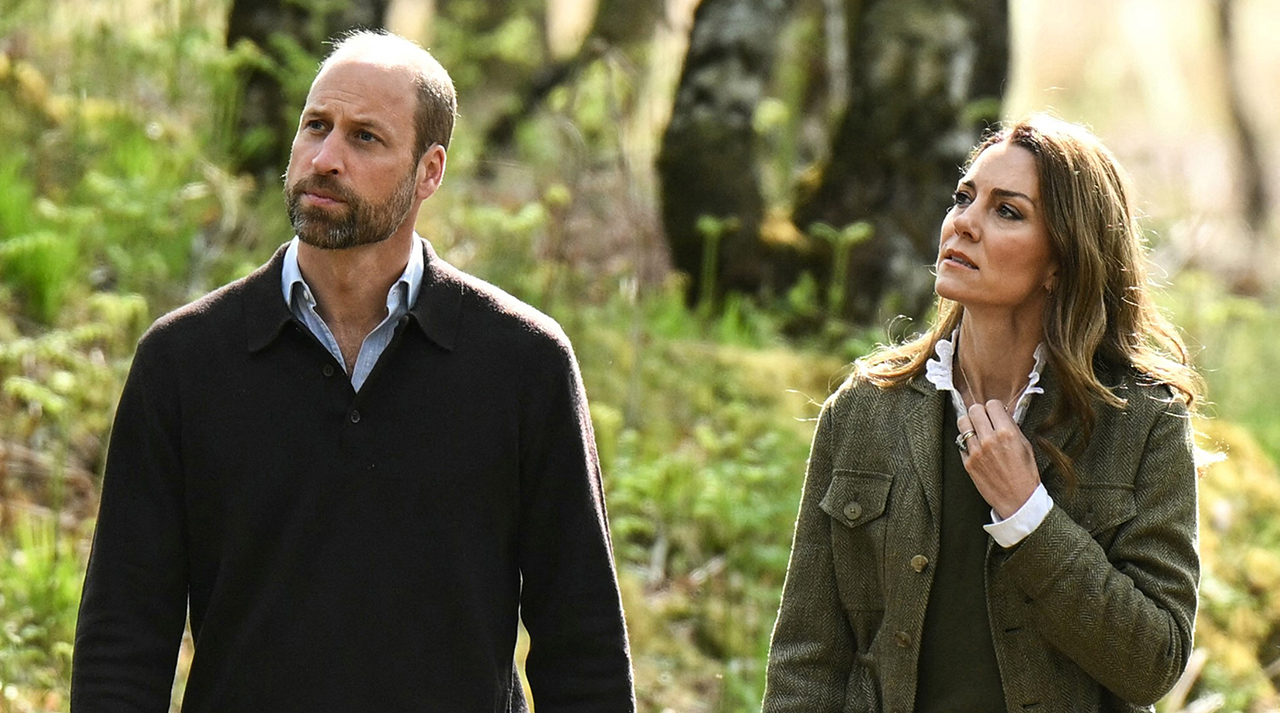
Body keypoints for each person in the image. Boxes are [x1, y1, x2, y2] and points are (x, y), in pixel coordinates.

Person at [71, 30, 635, 712]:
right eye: (316, 126)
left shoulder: (523, 363)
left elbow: (584, 645)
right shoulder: (183, 361)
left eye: (365, 138)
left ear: (429, 171)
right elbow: (123, 640)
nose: (325, 159)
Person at [762, 115, 1202, 712]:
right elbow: (806, 660)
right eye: (964, 197)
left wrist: (1029, 515)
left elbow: (1155, 664)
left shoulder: (1142, 419)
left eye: (1007, 211)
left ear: (1061, 260)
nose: (964, 223)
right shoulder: (865, 409)